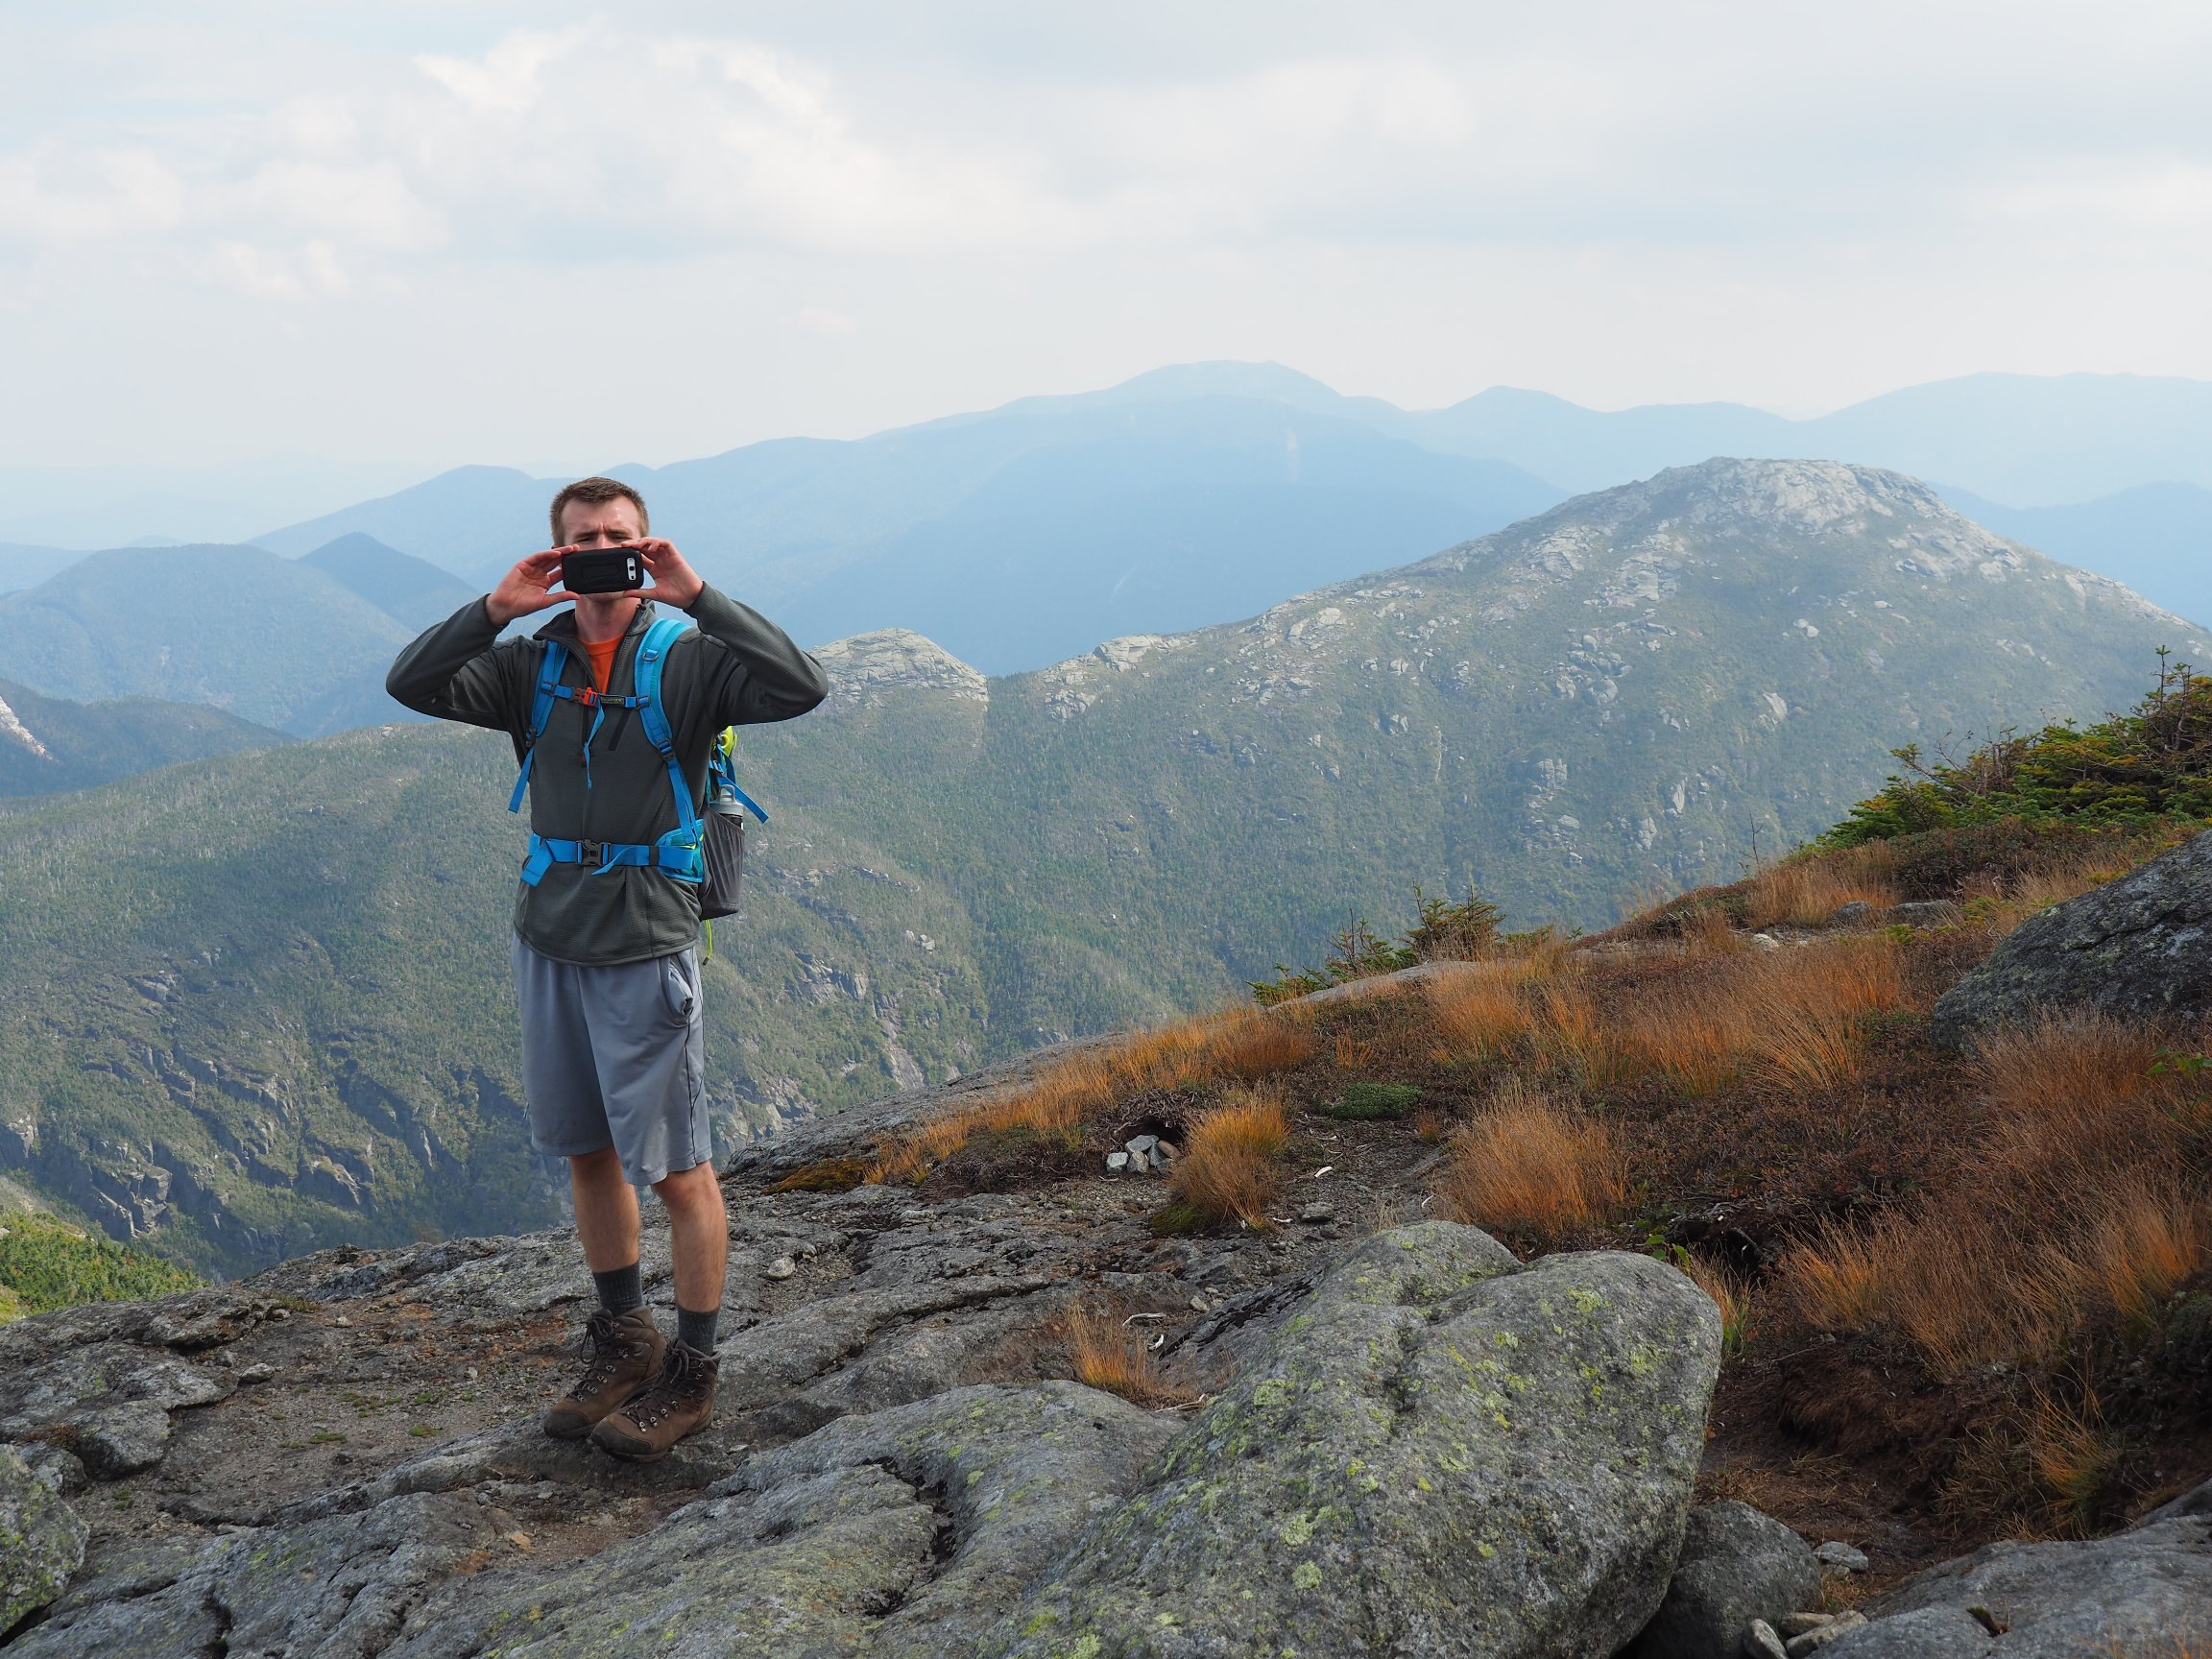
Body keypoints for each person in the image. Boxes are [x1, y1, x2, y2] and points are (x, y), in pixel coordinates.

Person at [386, 477, 827, 1459]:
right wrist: (496, 608)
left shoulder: (692, 661)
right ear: (558, 554)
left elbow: (801, 686)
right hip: (550, 933)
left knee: (678, 1170)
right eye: (581, 539)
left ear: (646, 547)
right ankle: (627, 1339)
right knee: (586, 1150)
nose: (600, 552)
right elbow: (410, 684)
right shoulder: (528, 664)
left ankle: (694, 1371)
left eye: (617, 537)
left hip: (644, 939)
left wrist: (697, 595)